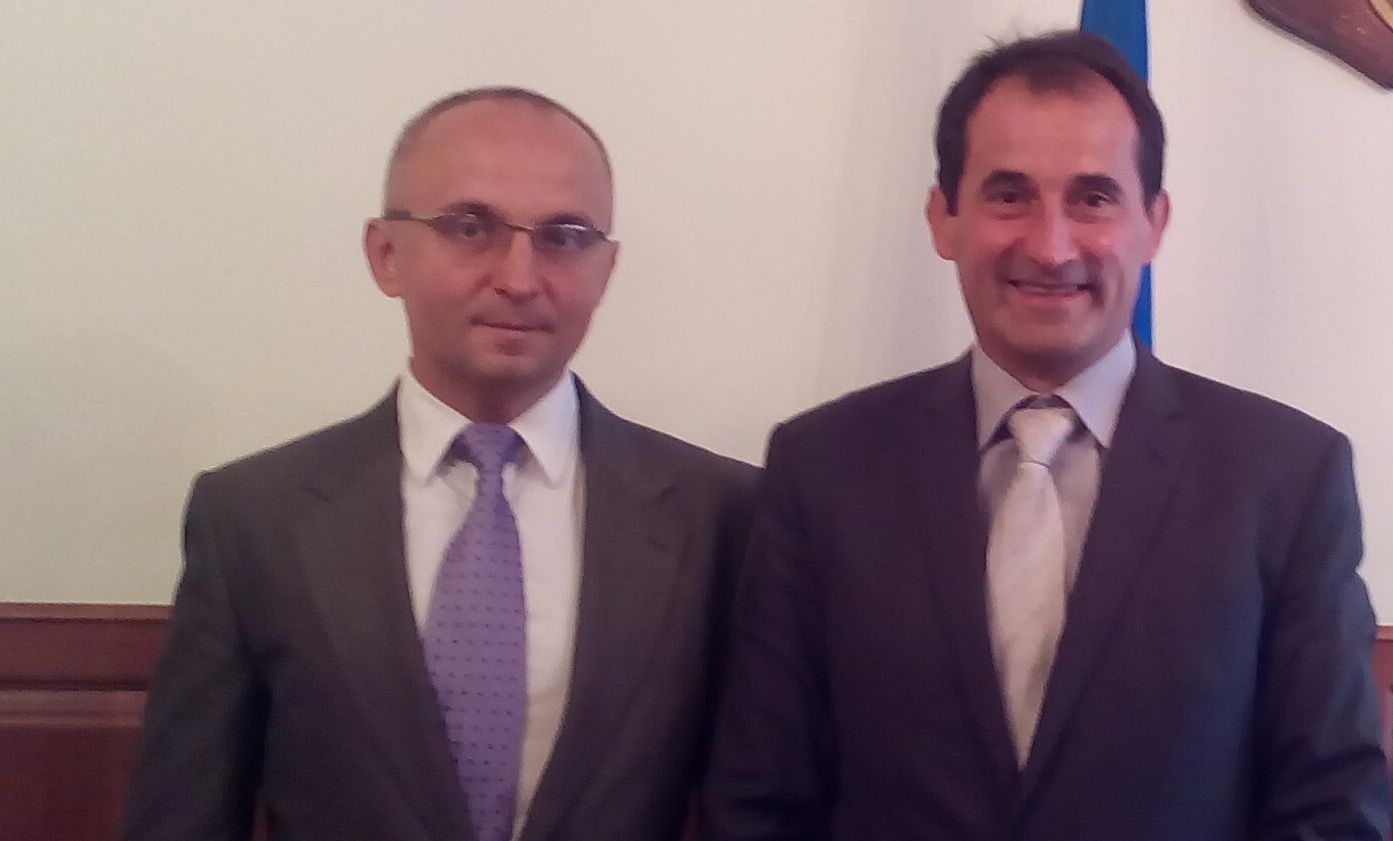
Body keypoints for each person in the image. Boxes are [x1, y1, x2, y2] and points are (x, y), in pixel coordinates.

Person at [703, 31, 1389, 841]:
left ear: (1153, 223)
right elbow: (759, 800)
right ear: (943, 218)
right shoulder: (822, 468)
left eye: (1093, 198)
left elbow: (1331, 809)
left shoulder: (1285, 476)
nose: (1050, 246)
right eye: (1008, 195)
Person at [122, 87, 757, 841]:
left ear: (606, 268)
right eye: (470, 227)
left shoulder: (717, 515)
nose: (519, 277)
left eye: (564, 236)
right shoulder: (254, 519)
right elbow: (184, 814)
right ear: (385, 255)